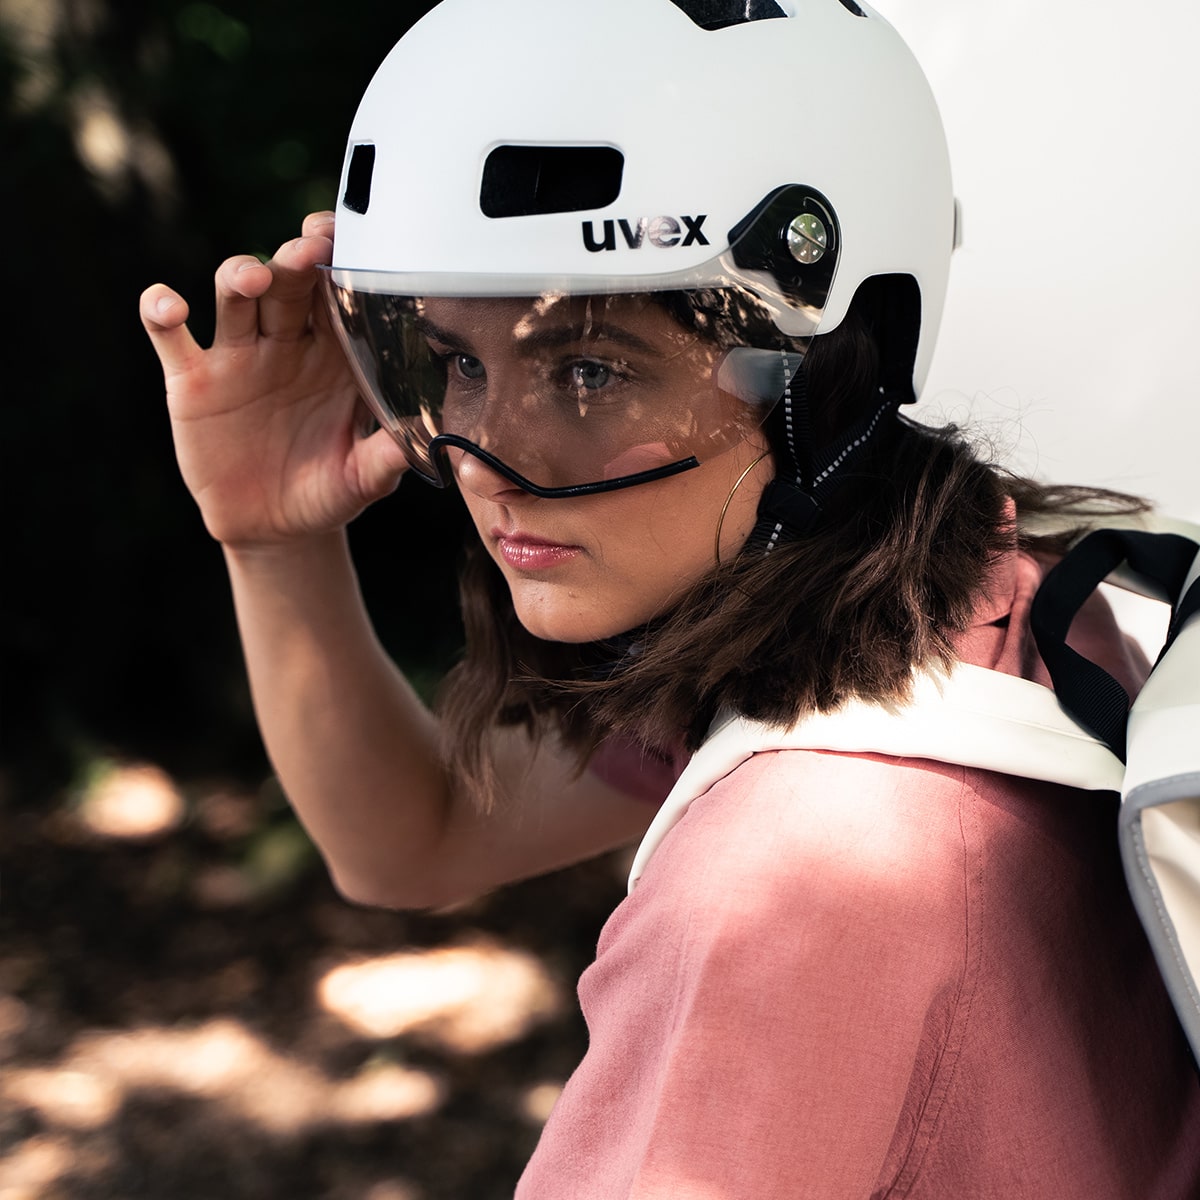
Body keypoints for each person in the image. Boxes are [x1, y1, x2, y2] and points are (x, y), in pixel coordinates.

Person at [140, 0, 1200, 1193]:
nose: (490, 455)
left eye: (591, 369)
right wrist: (272, 544)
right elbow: (415, 841)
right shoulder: (981, 601)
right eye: (453, 365)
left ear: (835, 364)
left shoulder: (791, 881)